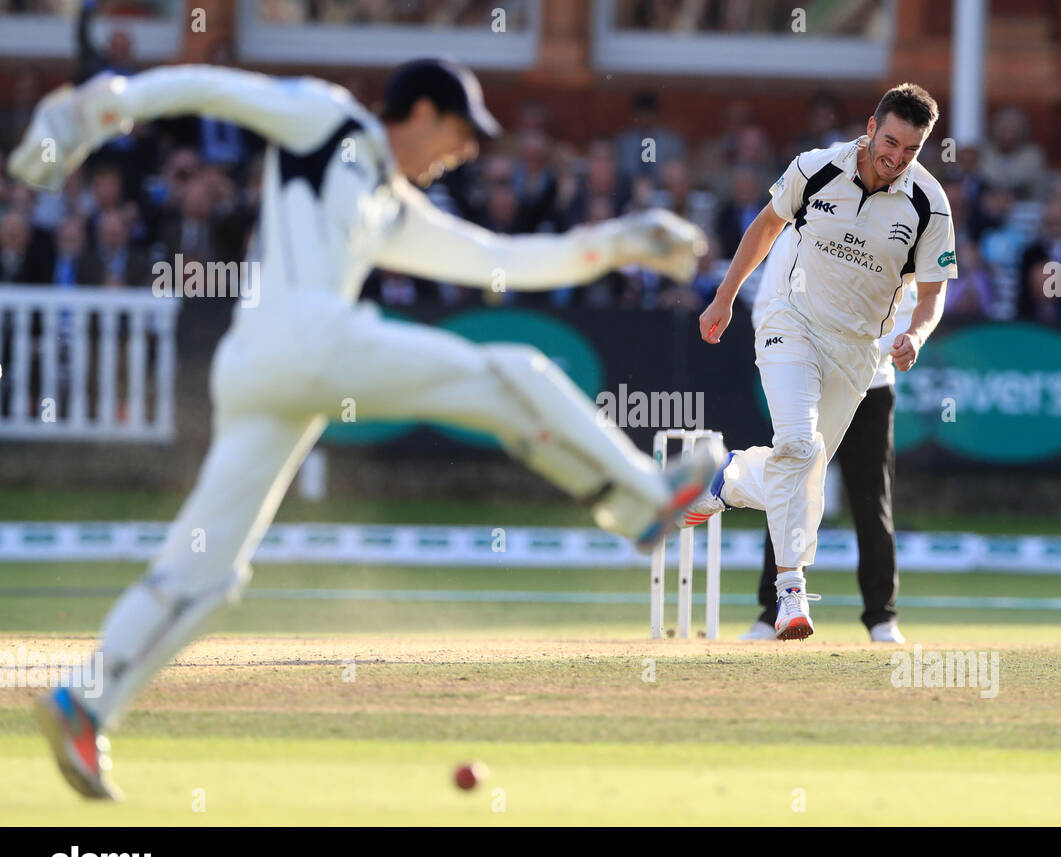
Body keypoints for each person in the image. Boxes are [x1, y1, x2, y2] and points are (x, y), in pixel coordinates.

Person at [9, 58, 721, 800]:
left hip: (266, 370)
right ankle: (642, 498)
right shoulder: (329, 119)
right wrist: (109, 103)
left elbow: (500, 260)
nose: (463, 152)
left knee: (207, 573)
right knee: (509, 373)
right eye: (457, 132)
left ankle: (85, 702)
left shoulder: (389, 201)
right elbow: (212, 89)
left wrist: (622, 241)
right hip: (301, 343)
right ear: (417, 109)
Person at [683, 83, 956, 641]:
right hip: (790, 322)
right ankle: (790, 595)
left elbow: (931, 294)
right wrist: (725, 295)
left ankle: (730, 478)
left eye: (912, 149)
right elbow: (765, 226)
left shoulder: (930, 205)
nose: (897, 158)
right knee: (801, 449)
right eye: (891, 141)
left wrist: (918, 335)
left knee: (799, 468)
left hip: (858, 350)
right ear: (871, 126)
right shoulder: (816, 168)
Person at [737, 226, 909, 642]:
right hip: (808, 380)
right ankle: (772, 610)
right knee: (790, 487)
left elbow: (908, 309)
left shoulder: (895, 229)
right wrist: (796, 354)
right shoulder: (800, 233)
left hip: (871, 383)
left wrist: (857, 353)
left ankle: (881, 617)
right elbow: (767, 305)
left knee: (871, 500)